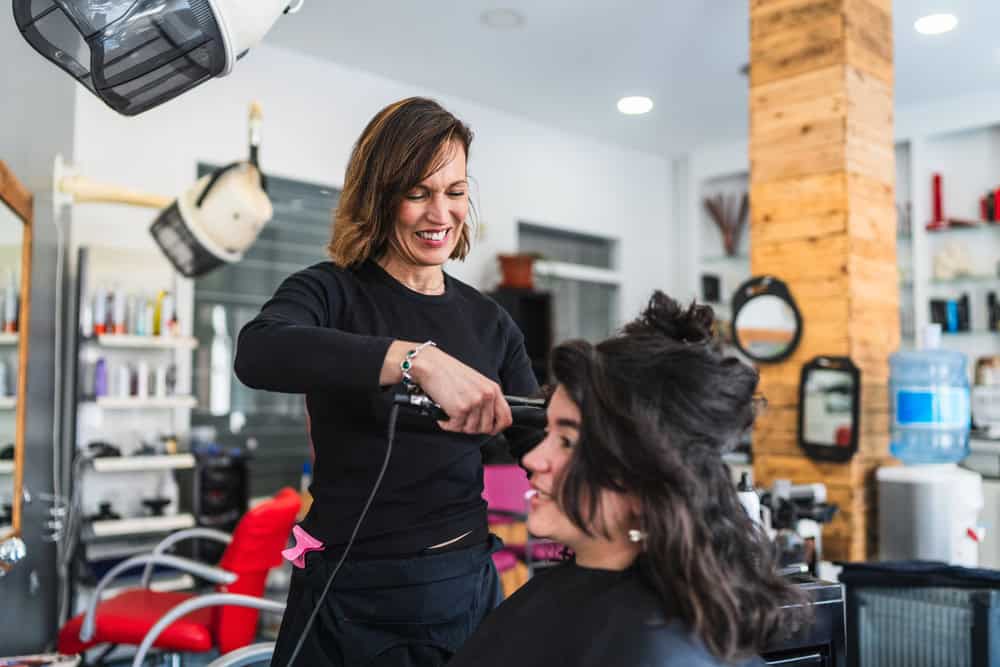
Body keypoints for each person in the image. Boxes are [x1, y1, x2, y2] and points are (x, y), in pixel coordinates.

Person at [234, 96, 538, 666]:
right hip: (348, 596)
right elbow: (258, 351)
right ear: (379, 197)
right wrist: (414, 359)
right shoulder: (330, 291)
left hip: (463, 586)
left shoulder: (490, 322)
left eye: (454, 192)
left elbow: (540, 442)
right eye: (417, 193)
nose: (440, 214)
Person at [449, 292, 809, 667]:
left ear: (647, 476)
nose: (533, 458)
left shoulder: (652, 649)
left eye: (568, 441)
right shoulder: (567, 598)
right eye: (549, 434)